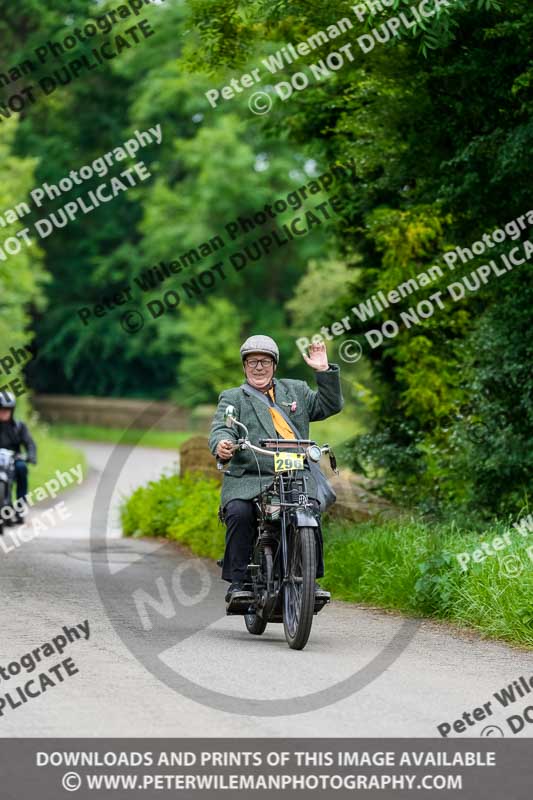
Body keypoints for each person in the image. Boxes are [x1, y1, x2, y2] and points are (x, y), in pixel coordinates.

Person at [209, 335, 343, 604]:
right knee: (238, 511)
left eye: (265, 361)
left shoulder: (296, 391)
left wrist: (323, 371)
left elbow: (330, 405)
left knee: (310, 509)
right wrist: (222, 444)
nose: (259, 367)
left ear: (274, 364)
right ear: (244, 366)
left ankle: (310, 582)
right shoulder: (233, 398)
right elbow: (221, 428)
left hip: (295, 474)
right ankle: (239, 582)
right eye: (252, 361)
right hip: (251, 475)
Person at [0, 392, 37, 518]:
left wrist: (31, 456)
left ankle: (21, 506)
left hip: (14, 459)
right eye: (1, 409)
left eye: (7, 410)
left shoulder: (19, 427)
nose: (4, 412)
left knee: (21, 468)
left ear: (12, 410)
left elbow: (30, 444)